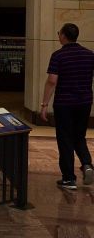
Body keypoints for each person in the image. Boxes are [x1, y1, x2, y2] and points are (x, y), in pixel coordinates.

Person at [40, 23, 94, 190]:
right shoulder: (90, 55)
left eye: (59, 33)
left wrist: (44, 104)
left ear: (63, 35)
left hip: (64, 103)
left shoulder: (58, 55)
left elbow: (52, 81)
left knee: (65, 139)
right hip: (84, 102)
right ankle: (87, 164)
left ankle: (69, 178)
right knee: (79, 136)